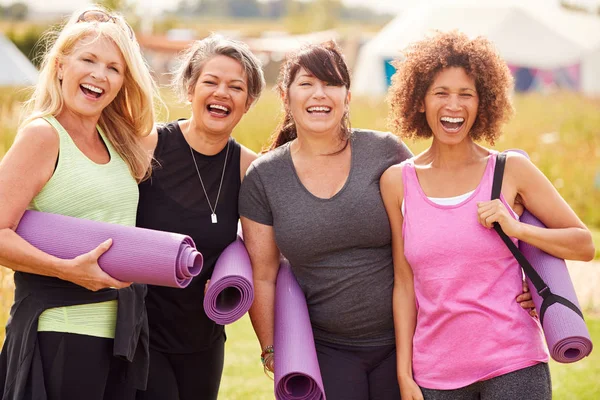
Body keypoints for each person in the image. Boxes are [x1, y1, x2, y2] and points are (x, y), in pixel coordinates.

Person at [381, 30, 595, 400]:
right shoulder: (397, 182)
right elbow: (404, 284)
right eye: (441, 93)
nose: (454, 105)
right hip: (435, 372)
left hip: (513, 364)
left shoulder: (510, 170)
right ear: (419, 101)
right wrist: (404, 372)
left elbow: (583, 244)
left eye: (467, 94)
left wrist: (518, 229)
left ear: (484, 104)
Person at [0, 6, 159, 400]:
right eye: (88, 60)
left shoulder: (118, 142)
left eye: (113, 68)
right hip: (61, 333)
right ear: (59, 66)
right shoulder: (42, 135)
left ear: (124, 81)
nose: (98, 75)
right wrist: (66, 270)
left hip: (122, 332)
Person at [135, 34, 265, 400]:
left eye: (236, 87)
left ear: (248, 102)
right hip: (141, 332)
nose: (222, 92)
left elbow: (263, 253)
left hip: (204, 336)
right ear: (190, 89)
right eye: (211, 81)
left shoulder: (249, 169)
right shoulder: (147, 147)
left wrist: (233, 277)